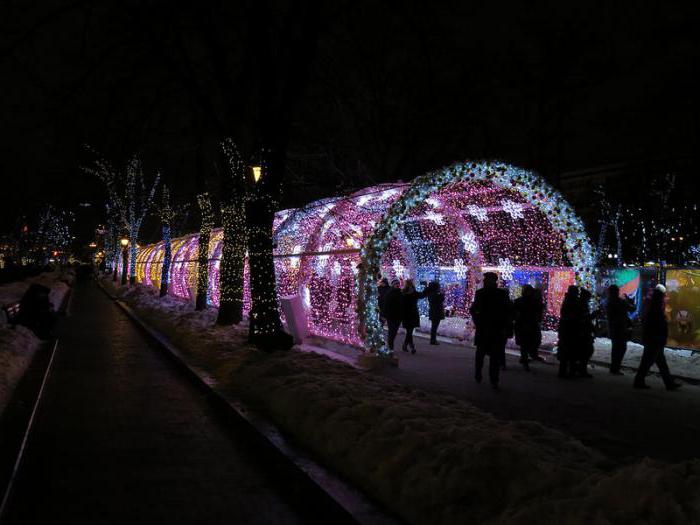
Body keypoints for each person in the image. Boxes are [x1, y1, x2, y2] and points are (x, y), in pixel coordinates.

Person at [469, 272, 513, 388]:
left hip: (488, 328)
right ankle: (493, 379)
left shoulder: (482, 293)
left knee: (483, 354)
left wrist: (478, 321)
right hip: (494, 329)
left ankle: (483, 375)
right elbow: (509, 311)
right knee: (492, 355)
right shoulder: (500, 294)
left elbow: (473, 309)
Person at [633, 287, 681, 390]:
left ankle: (669, 383)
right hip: (654, 339)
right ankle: (639, 381)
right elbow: (656, 324)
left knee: (658, 362)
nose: (665, 298)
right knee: (648, 362)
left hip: (654, 339)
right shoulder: (655, 308)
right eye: (664, 296)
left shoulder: (653, 306)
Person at [606, 284, 635, 375]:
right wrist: (629, 300)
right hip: (621, 328)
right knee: (621, 348)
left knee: (615, 348)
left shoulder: (609, 302)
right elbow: (632, 308)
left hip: (613, 328)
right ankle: (615, 368)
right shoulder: (620, 302)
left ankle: (614, 367)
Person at [513, 284, 543, 371]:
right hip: (526, 324)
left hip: (526, 324)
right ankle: (526, 358)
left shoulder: (520, 301)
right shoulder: (531, 301)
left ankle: (526, 357)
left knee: (526, 343)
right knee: (526, 343)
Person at [400, 279, 429, 353]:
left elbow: (423, 295)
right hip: (410, 313)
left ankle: (406, 345)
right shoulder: (409, 293)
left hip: (408, 314)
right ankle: (411, 346)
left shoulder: (404, 292)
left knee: (409, 331)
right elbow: (423, 294)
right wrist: (426, 286)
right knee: (409, 331)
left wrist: (426, 287)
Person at [557, 285, 579, 378]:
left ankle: (564, 371)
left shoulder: (567, 300)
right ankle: (569, 371)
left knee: (566, 350)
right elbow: (571, 315)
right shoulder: (572, 302)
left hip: (566, 328)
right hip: (569, 329)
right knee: (570, 350)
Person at [574, 288, 596, 378]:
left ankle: (580, 368)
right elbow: (583, 319)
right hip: (582, 332)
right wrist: (592, 316)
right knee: (586, 351)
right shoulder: (581, 305)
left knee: (585, 351)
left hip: (583, 331)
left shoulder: (581, 305)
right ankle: (581, 369)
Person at [384, 279, 403, 351]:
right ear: (393, 285)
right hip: (391, 315)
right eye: (396, 284)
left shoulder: (401, 293)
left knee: (394, 331)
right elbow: (386, 304)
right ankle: (390, 344)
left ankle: (390, 342)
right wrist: (384, 314)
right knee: (391, 330)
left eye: (398, 284)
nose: (397, 285)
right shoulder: (389, 293)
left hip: (398, 315)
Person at [427, 280, 445, 345]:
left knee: (434, 326)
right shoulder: (436, 294)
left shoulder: (430, 293)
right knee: (434, 326)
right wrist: (442, 294)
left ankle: (433, 339)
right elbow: (441, 299)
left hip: (433, 311)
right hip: (437, 312)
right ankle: (433, 340)